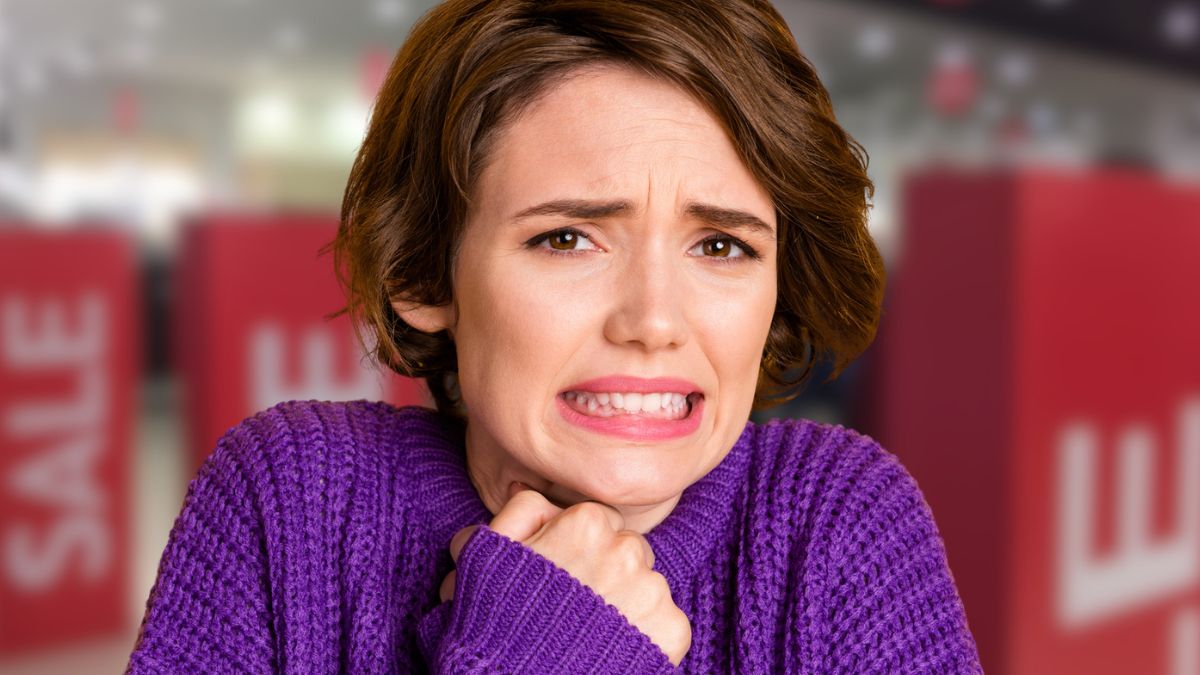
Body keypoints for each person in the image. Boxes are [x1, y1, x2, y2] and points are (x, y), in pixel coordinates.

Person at [127, 0, 983, 672]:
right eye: (567, 238)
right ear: (423, 273)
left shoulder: (837, 520)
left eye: (721, 246)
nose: (653, 322)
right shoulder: (291, 501)